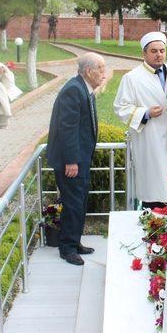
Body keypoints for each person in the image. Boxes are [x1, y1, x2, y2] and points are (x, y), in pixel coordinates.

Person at [46, 52, 105, 266]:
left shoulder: (83, 87)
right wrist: (72, 160)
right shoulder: (73, 89)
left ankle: (75, 241)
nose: (104, 74)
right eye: (101, 69)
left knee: (79, 202)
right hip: (71, 162)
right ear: (89, 71)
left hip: (81, 159)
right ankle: (67, 248)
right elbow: (67, 129)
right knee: (72, 204)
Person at [113, 32, 167, 209]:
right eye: (154, 51)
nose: (159, 55)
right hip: (150, 139)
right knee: (155, 186)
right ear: (144, 53)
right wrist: (146, 113)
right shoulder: (132, 78)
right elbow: (121, 107)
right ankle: (154, 226)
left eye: (162, 50)